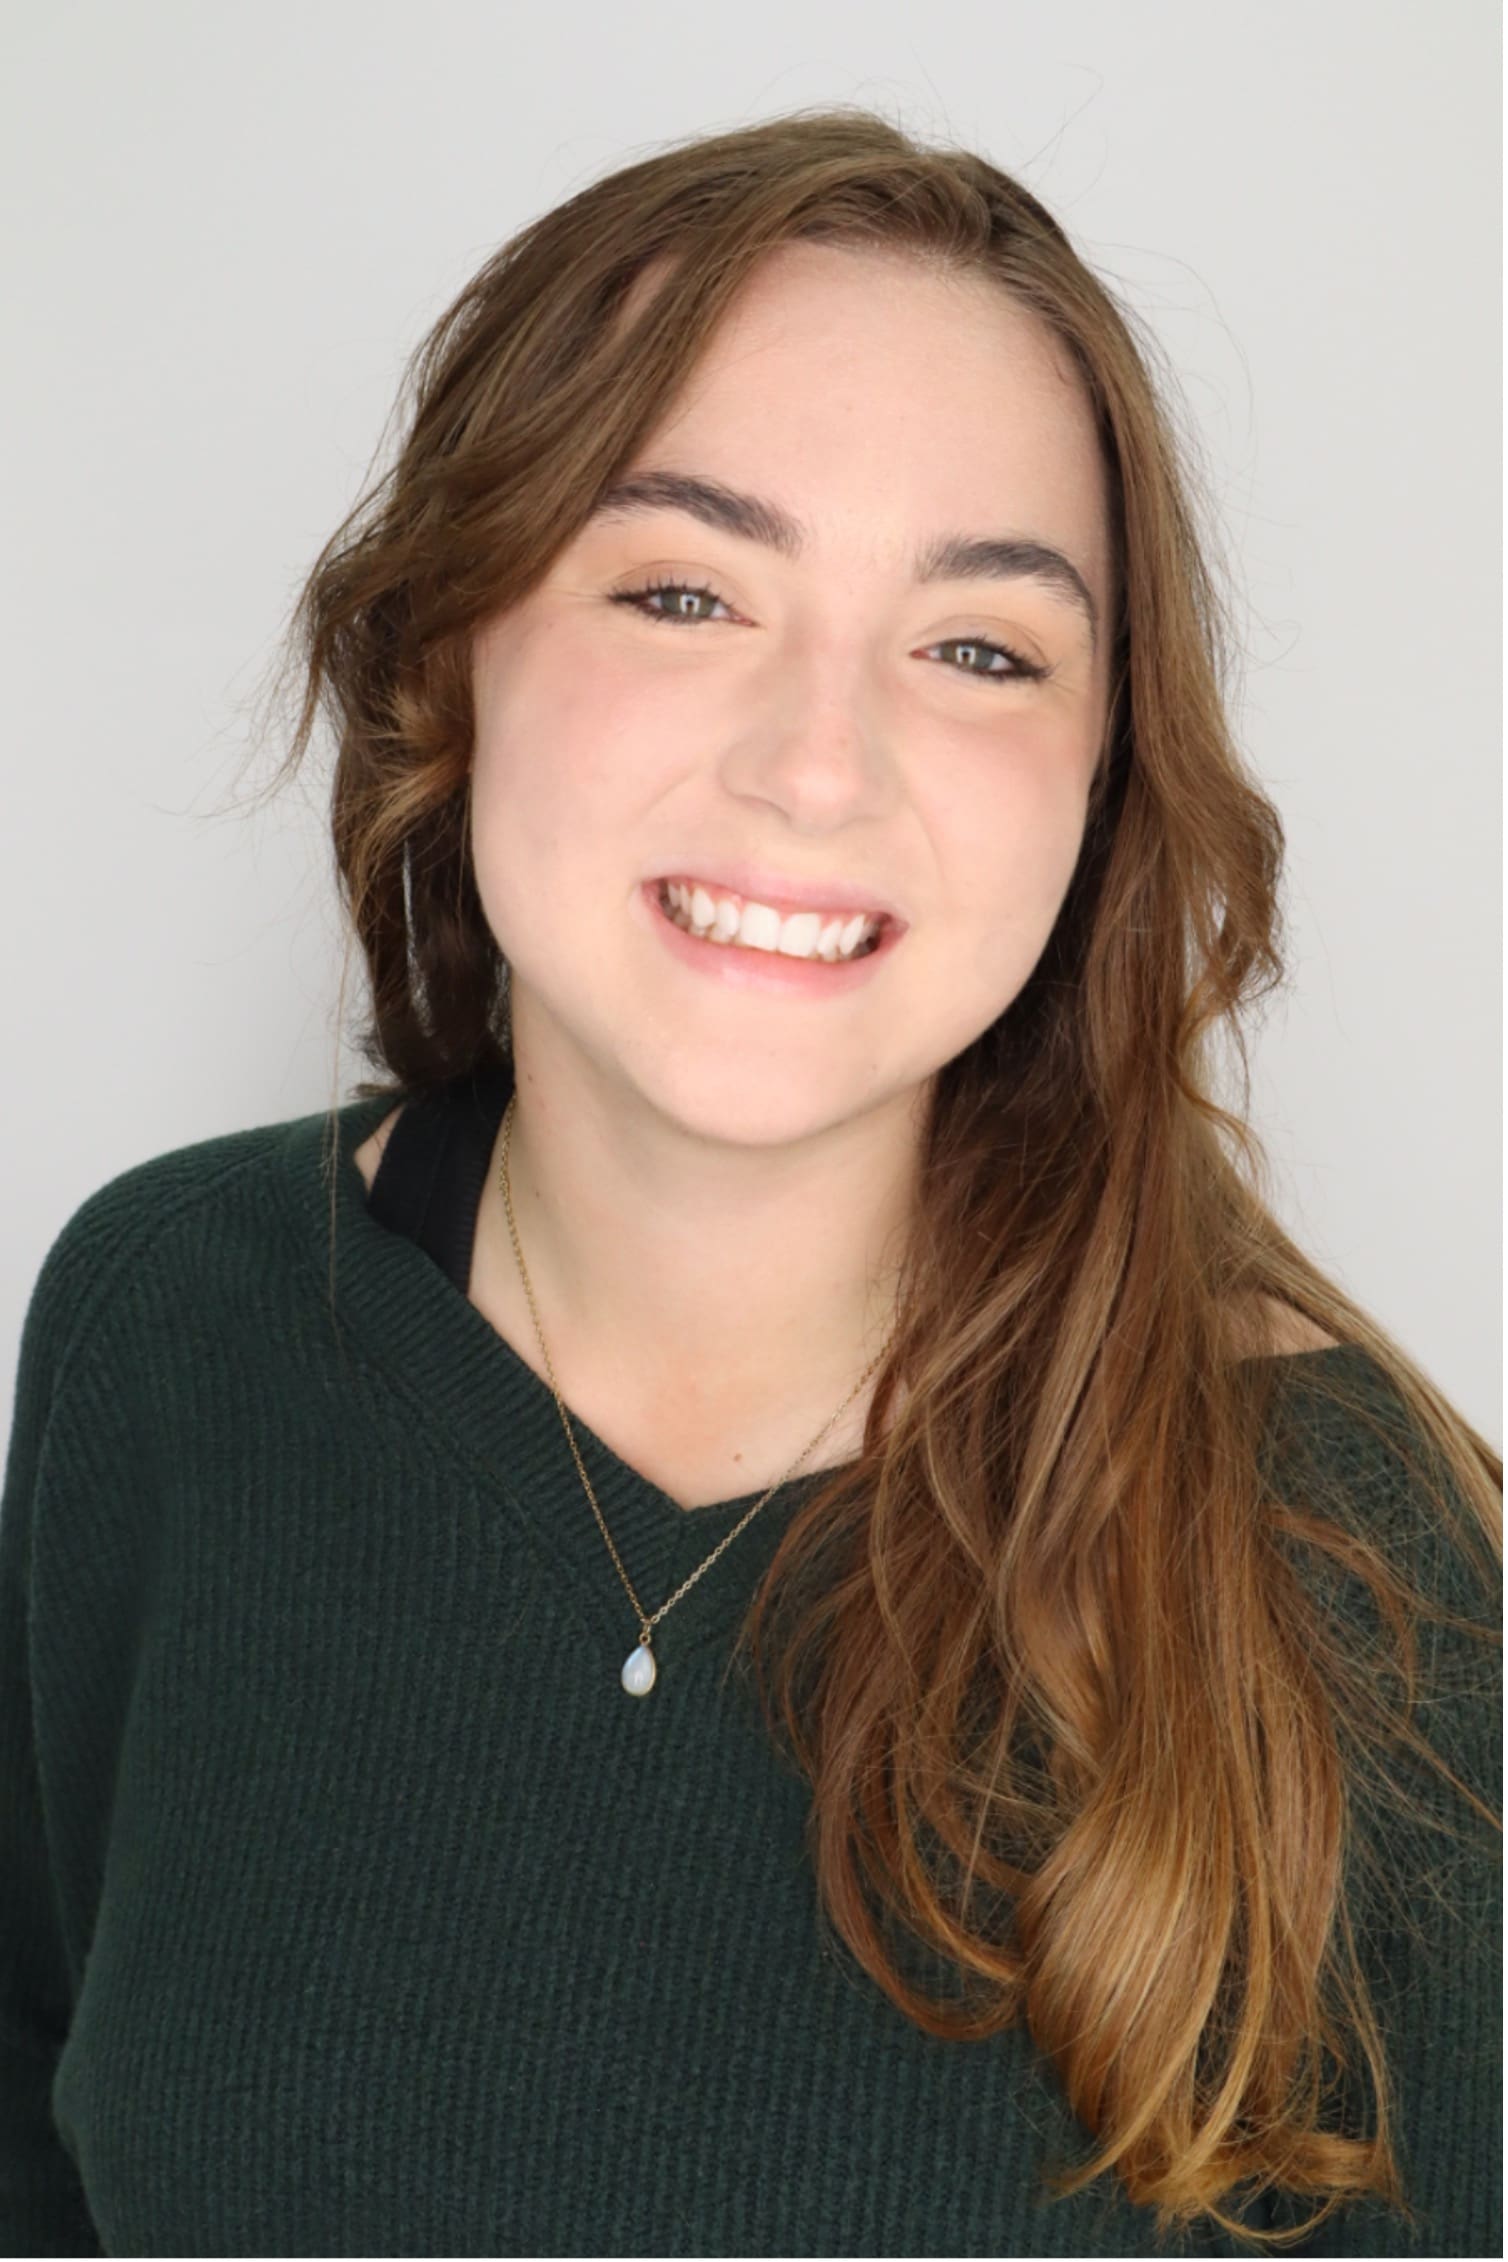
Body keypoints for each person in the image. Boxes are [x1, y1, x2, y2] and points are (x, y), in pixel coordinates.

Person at [1, 108, 1498, 2258]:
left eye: (979, 646)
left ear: (1096, 787)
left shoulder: (1368, 1572)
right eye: (684, 589)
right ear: (454, 655)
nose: (818, 763)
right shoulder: (168, 1320)